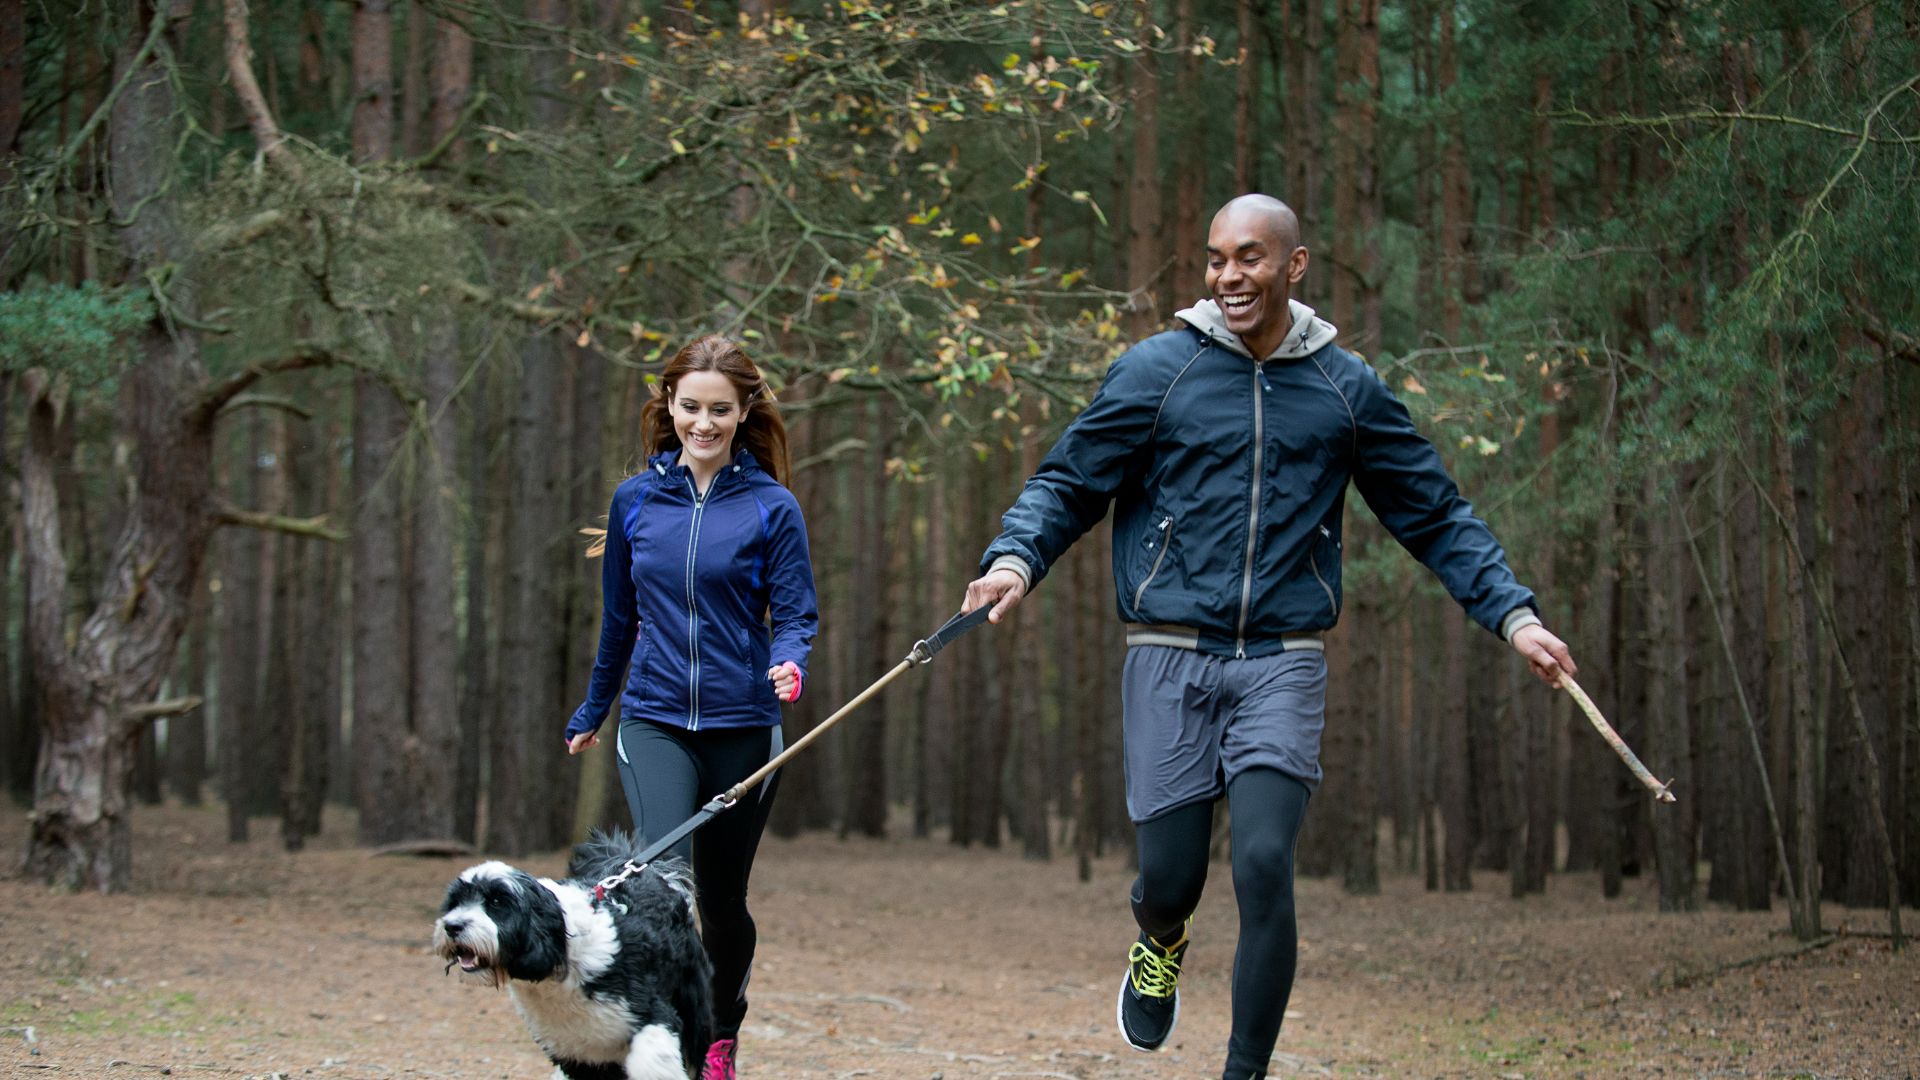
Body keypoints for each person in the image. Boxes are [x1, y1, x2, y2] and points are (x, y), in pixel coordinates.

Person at [960, 194, 1577, 1080]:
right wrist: (1017, 557)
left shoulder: (1344, 388)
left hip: (1282, 662)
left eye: (1250, 257)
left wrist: (1513, 616)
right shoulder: (1156, 371)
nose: (1228, 275)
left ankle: (1243, 1071)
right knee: (1171, 878)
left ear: (1294, 266)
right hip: (1168, 652)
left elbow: (1435, 515)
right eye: (1216, 258)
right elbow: (1069, 481)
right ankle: (1159, 938)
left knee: (1261, 863)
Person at [565, 334, 818, 1080]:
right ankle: (657, 1037)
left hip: (745, 728)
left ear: (744, 414)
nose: (702, 424)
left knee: (722, 900)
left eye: (719, 410)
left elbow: (797, 613)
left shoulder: (773, 507)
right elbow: (618, 619)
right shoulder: (636, 502)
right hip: (654, 717)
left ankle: (719, 1034)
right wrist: (593, 708)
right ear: (667, 405)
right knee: (659, 888)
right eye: (689, 407)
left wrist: (790, 664)